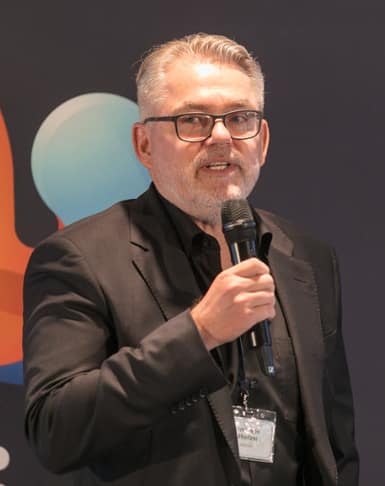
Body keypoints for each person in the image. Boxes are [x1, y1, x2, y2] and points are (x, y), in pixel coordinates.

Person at [23, 33, 358, 486]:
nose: (221, 136)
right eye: (194, 120)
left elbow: (335, 438)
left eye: (239, 118)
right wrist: (200, 333)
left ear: (261, 141)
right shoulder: (80, 259)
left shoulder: (306, 255)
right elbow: (55, 429)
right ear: (144, 144)